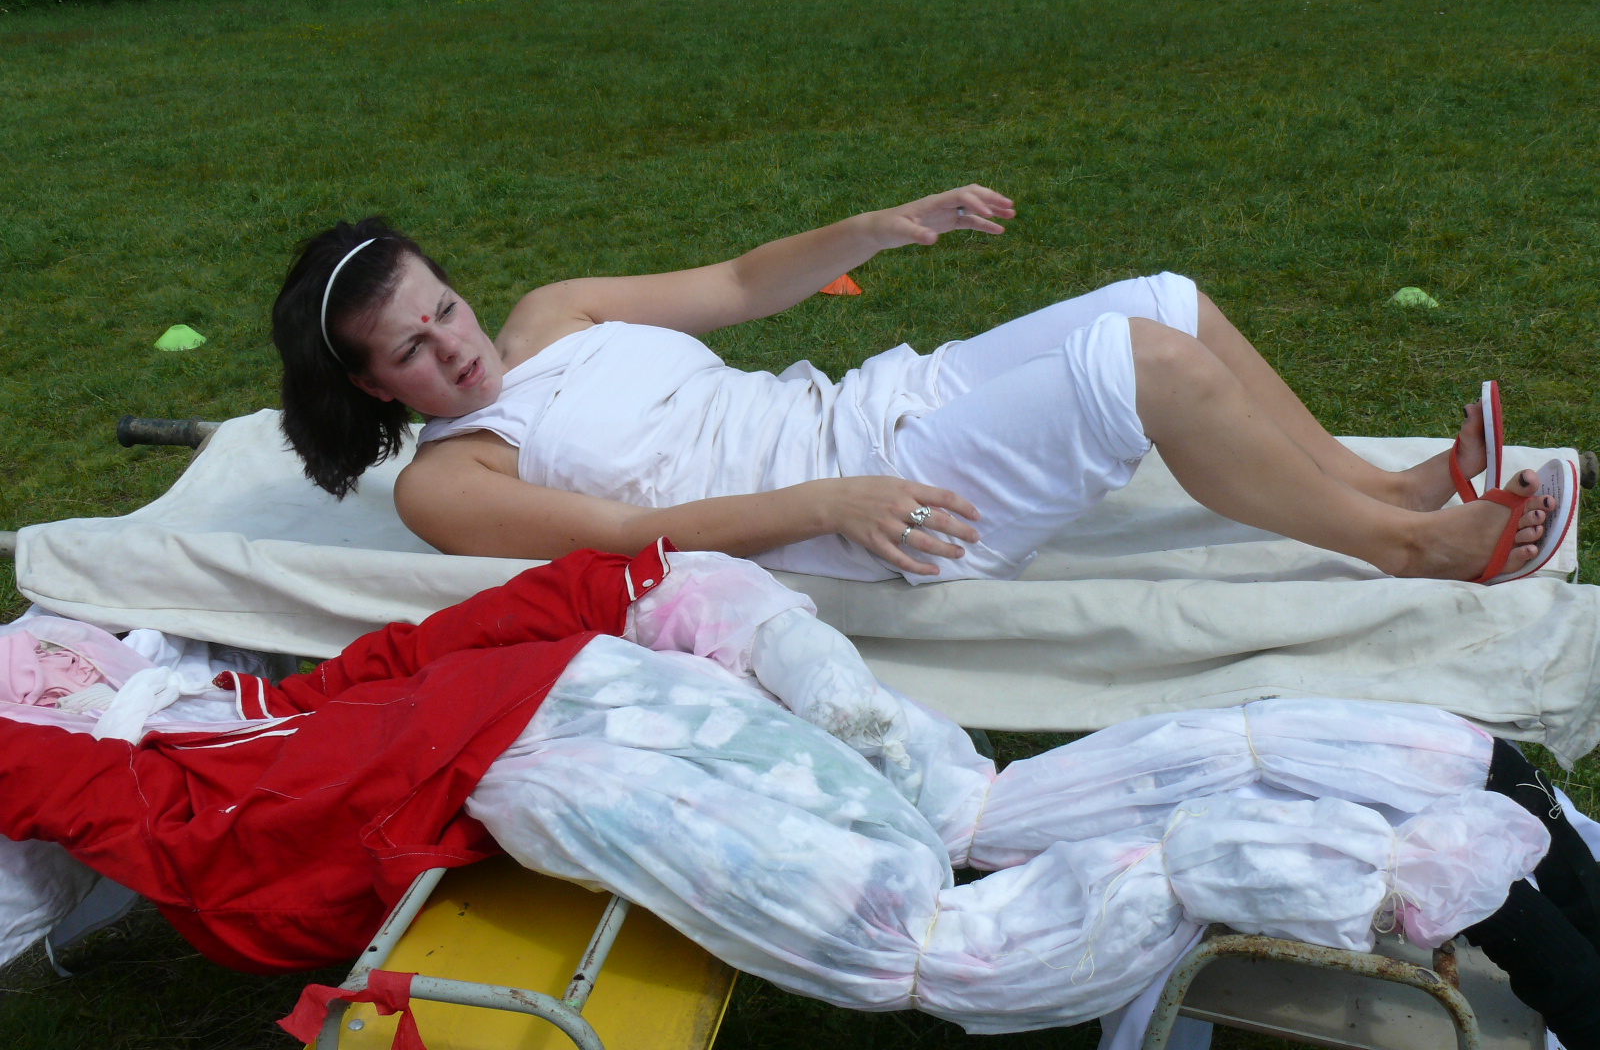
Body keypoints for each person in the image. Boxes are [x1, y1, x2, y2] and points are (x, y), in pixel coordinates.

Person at [0, 547, 1589, 1045]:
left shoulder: (271, 708)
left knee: (966, 821)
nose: (83, 668)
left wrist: (663, 588)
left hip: (628, 701)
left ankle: (1444, 777)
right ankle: (1416, 856)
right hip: (566, 773)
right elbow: (232, 854)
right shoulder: (187, 814)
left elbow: (430, 646)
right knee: (930, 920)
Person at [270, 186, 1569, 586]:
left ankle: (1384, 485)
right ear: (372, 387)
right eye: (412, 351)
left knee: (1164, 297)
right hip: (860, 514)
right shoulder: (450, 483)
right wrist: (829, 501)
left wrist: (879, 227)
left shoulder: (556, 314)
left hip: (871, 407)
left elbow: (737, 282)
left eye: (442, 307)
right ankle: (1415, 550)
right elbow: (629, 537)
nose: (454, 346)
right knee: (1143, 367)